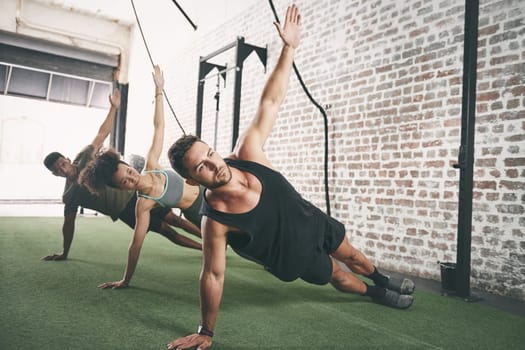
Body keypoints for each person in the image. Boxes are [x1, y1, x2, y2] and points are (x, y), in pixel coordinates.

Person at [166, 4, 415, 349]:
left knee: (353, 255)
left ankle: (382, 278)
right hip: (293, 256)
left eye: (209, 153)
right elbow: (213, 274)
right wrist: (206, 331)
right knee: (340, 275)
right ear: (193, 180)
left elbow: (270, 102)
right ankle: (375, 293)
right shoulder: (215, 221)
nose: (213, 164)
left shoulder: (248, 153)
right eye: (201, 167)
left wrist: (289, 47)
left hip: (312, 220)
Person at [43, 84, 202, 288]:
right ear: (55, 174)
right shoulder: (69, 195)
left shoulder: (84, 157)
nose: (63, 170)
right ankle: (204, 249)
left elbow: (102, 134)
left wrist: (113, 107)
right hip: (125, 211)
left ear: (66, 158)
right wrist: (65, 252)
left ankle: (209, 241)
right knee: (166, 230)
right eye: (58, 170)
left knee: (173, 218)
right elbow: (68, 225)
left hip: (136, 194)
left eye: (62, 164)